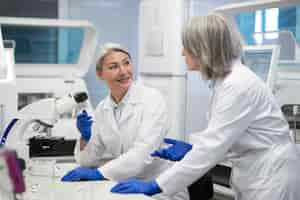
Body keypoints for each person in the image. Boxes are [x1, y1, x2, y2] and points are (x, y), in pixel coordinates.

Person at [110, 14, 300, 200]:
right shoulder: (224, 81)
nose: (182, 52)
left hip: (271, 177)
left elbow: (211, 148)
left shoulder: (237, 85)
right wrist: (192, 148)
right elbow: (222, 136)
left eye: (186, 47)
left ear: (203, 49)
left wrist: (157, 185)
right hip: (256, 173)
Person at [61, 43, 189, 200]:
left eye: (126, 63)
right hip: (125, 186)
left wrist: (98, 173)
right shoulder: (103, 108)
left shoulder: (152, 99)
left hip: (161, 189)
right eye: (114, 66)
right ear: (100, 74)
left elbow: (142, 153)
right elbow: (87, 161)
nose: (123, 71)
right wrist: (85, 137)